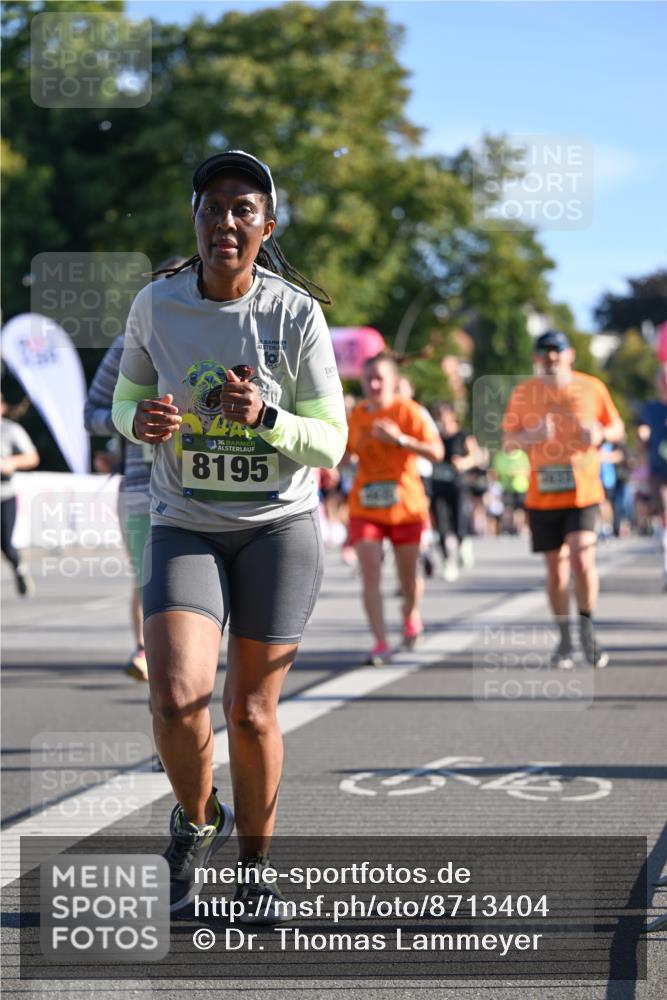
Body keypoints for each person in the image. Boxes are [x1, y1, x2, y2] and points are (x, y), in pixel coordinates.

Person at [111, 150, 346, 919]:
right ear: (195, 220)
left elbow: (330, 442)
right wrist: (141, 421)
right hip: (186, 521)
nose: (226, 221)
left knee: (249, 711)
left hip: (278, 528)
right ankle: (197, 819)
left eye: (243, 209)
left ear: (266, 228)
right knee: (176, 698)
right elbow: (124, 403)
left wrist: (268, 417)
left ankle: (255, 869)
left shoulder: (295, 314)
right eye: (212, 207)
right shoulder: (156, 304)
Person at [84, 257, 186, 680]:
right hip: (143, 488)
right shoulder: (128, 344)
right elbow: (91, 414)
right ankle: (146, 654)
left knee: (189, 585)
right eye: (163, 288)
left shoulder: (219, 341)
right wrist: (132, 420)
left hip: (202, 490)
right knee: (149, 576)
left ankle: (178, 662)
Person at [503, 330, 625, 669]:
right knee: (556, 573)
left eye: (557, 349)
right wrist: (532, 435)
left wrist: (600, 434)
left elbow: (618, 428)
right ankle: (564, 638)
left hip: (583, 491)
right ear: (536, 358)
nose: (551, 356)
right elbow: (508, 442)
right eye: (544, 351)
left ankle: (587, 628)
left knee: (582, 559)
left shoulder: (591, 387)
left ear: (569, 354)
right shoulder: (523, 393)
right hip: (542, 495)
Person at [346, 352, 444, 664]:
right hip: (366, 507)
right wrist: (338, 460)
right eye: (368, 379)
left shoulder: (409, 411)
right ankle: (380, 642)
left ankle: (410, 613)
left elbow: (437, 453)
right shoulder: (356, 416)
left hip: (406, 506)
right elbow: (343, 455)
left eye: (379, 379)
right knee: (370, 574)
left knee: (408, 578)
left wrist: (400, 439)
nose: (373, 385)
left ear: (393, 381)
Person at [430, 402, 479, 580]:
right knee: (441, 525)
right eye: (438, 416)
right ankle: (447, 561)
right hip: (437, 486)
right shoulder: (434, 437)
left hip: (457, 486)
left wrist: (464, 463)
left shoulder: (462, 435)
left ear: (452, 416)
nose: (441, 420)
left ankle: (462, 545)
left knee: (459, 522)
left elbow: (476, 456)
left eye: (444, 415)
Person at [1, 394, 39, 595]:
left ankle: (19, 569)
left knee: (6, 545)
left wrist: (12, 463)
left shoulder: (10, 430)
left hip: (4, 495)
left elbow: (32, 457)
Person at [637, 366, 667, 589]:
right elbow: (642, 435)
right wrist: (642, 436)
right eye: (663, 380)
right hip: (658, 470)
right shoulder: (650, 408)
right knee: (664, 515)